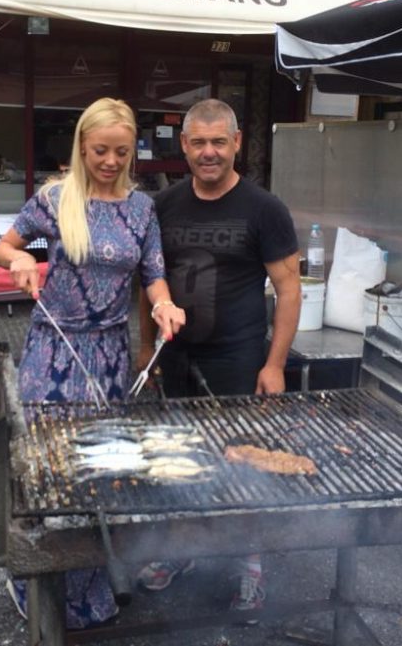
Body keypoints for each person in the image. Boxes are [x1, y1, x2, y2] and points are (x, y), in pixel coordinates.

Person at [0, 97, 186, 629]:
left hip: (109, 353)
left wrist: (164, 303)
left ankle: (91, 591)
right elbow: (1, 249)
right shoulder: (54, 199)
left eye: (121, 152)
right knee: (50, 468)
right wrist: (22, 259)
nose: (110, 161)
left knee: (101, 470)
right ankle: (39, 587)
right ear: (82, 145)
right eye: (101, 150)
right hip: (52, 350)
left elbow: (153, 274)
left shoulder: (143, 208)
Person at [136, 98, 302, 619]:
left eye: (219, 142)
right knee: (181, 460)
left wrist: (274, 365)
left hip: (238, 357)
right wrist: (146, 349)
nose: (209, 153)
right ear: (183, 146)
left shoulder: (264, 209)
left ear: (236, 145)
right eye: (199, 142)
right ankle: (185, 551)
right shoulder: (162, 206)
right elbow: (146, 282)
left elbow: (289, 288)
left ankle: (250, 562)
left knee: (242, 461)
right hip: (177, 356)